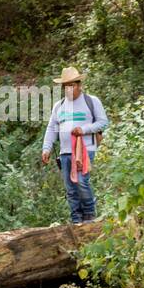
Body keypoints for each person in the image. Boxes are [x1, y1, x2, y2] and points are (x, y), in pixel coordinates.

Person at [42, 66, 107, 223]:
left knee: (82, 182)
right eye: (66, 86)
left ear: (79, 85)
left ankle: (89, 214)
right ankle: (76, 218)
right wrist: (47, 148)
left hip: (85, 149)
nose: (69, 89)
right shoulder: (59, 106)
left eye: (72, 85)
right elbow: (52, 128)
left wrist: (83, 129)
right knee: (70, 187)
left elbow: (103, 122)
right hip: (65, 152)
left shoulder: (91, 102)